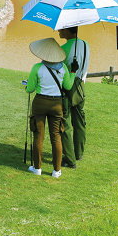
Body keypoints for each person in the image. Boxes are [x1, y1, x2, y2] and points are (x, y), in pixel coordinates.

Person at [24, 37, 74, 178]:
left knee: (38, 136)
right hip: (57, 104)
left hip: (40, 103)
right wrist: (73, 72)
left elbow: (30, 89)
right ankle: (56, 171)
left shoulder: (37, 67)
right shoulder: (63, 68)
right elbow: (68, 86)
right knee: (56, 137)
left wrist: (27, 85)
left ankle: (37, 168)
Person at [59, 27, 90, 166]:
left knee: (64, 123)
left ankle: (69, 156)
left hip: (68, 88)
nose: (58, 31)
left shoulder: (63, 49)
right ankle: (79, 153)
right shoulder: (85, 44)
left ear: (67, 30)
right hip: (81, 87)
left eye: (61, 29)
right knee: (79, 122)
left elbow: (61, 72)